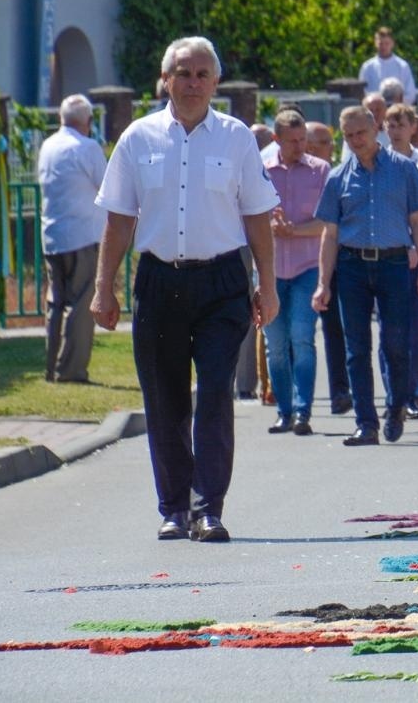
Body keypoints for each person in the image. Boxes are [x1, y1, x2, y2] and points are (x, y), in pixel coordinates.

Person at [92, 37, 280, 543]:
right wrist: (103, 287)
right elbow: (118, 217)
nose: (192, 82)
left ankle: (208, 507)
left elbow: (258, 215)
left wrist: (267, 282)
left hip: (222, 282)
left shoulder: (237, 138)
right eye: (182, 72)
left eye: (202, 74)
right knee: (165, 398)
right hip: (158, 282)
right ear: (165, 79)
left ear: (215, 82)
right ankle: (174, 507)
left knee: (216, 390)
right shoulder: (137, 138)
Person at [311, 105, 418, 447]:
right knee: (356, 347)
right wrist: (323, 282)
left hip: (395, 263)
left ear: (375, 128)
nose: (355, 141)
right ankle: (366, 422)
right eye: (348, 136)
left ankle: (396, 407)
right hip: (351, 266)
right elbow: (330, 234)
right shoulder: (338, 177)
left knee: (396, 342)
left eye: (360, 133)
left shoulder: (404, 169)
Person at [261, 110, 329, 436]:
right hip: (270, 268)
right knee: (275, 343)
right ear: (277, 140)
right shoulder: (261, 170)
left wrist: (295, 231)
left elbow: (329, 222)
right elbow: (247, 215)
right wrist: (269, 226)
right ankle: (283, 411)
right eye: (292, 141)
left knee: (302, 338)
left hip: (306, 266)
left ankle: (303, 411)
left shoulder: (320, 171)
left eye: (303, 140)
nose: (300, 146)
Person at [37, 94, 106, 384]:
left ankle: (51, 365)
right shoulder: (88, 148)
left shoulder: (48, 146)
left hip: (52, 235)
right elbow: (108, 186)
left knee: (56, 303)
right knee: (81, 304)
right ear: (87, 121)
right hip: (82, 235)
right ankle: (73, 369)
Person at [384, 103, 418, 415]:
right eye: (390, 125)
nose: (394, 131)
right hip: (390, 253)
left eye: (400, 125)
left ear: (412, 128)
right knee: (391, 332)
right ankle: (395, 395)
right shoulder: (378, 162)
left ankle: (417, 392)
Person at [303, 122, 352, 414]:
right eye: (317, 142)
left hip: (332, 262)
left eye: (326, 143)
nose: (325, 148)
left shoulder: (337, 176)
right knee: (304, 334)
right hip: (297, 264)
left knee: (342, 330)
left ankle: (344, 390)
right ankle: (332, 393)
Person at [359, 27, 417, 106]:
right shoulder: (367, 67)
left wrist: (397, 106)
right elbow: (362, 92)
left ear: (392, 43)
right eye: (380, 43)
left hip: (397, 111)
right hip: (375, 111)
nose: (383, 47)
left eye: (386, 43)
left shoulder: (402, 66)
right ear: (375, 43)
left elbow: (410, 93)